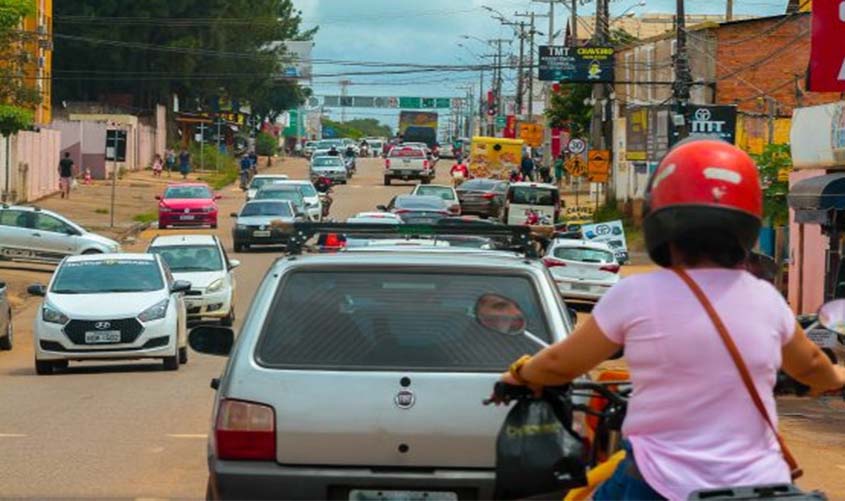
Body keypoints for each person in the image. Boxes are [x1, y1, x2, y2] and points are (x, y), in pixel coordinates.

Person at [495, 139, 845, 500]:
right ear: (747, 225)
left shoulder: (636, 294)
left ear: (658, 220)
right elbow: (814, 368)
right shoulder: (767, 299)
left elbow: (558, 364)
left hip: (658, 482)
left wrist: (519, 375)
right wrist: (839, 377)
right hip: (759, 485)